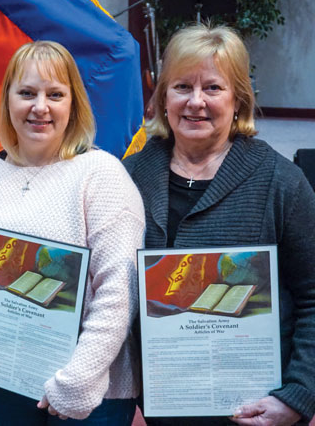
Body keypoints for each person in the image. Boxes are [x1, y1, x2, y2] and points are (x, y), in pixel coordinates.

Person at [0, 40, 146, 424]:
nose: (39, 107)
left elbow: (119, 291)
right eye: (27, 93)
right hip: (7, 376)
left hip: (93, 391)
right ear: (8, 100)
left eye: (55, 94)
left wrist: (78, 379)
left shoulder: (101, 174)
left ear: (73, 103)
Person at [123, 24, 315, 426]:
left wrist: (298, 396)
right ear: (161, 98)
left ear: (239, 99)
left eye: (213, 88)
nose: (196, 102)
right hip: (163, 408)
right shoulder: (129, 176)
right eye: (181, 87)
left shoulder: (281, 181)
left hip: (259, 413)